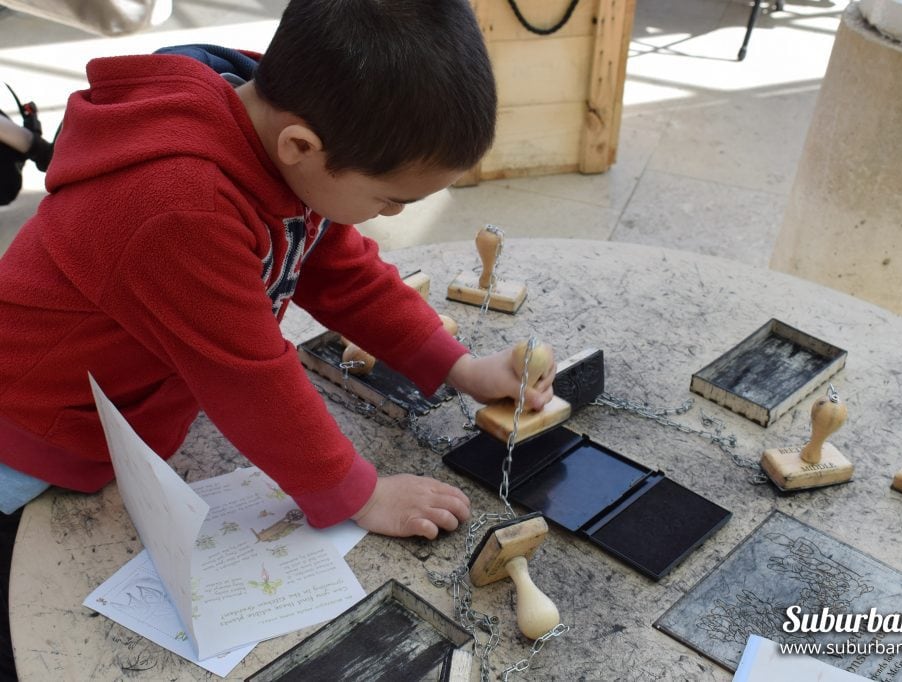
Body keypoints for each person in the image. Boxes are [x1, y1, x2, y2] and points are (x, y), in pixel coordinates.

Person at [0, 0, 555, 674]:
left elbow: (339, 270)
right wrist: (360, 493)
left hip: (117, 408)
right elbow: (250, 380)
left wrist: (460, 367)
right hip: (27, 425)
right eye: (390, 200)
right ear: (301, 148)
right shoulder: (182, 204)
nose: (392, 215)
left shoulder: (292, 128)